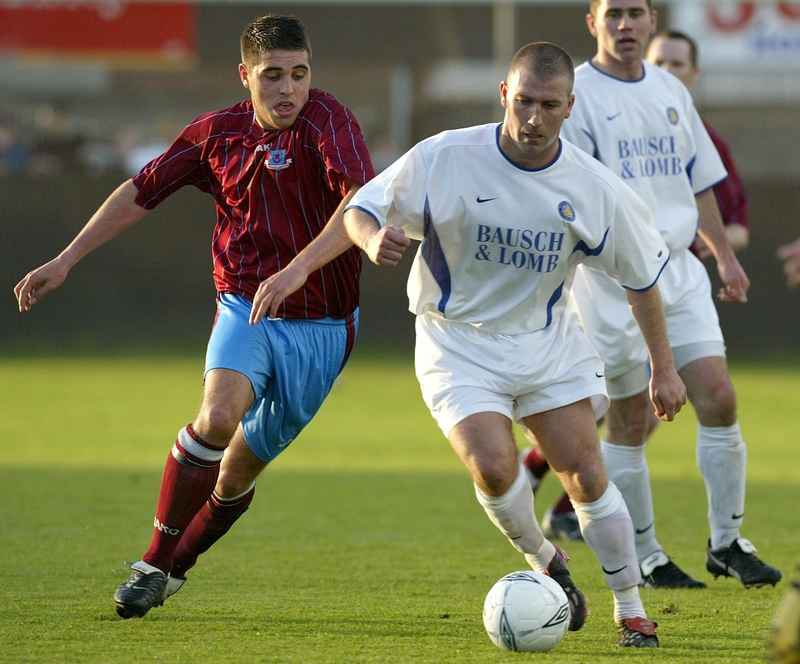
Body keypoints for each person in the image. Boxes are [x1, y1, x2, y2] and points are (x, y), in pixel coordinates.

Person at [14, 14, 374, 619]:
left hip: (323, 325)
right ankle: (154, 561)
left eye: (299, 74)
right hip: (246, 305)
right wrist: (67, 258)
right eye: (273, 76)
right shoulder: (215, 134)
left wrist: (300, 269)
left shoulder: (328, 120)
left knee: (234, 476)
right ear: (245, 77)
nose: (289, 89)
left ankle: (178, 567)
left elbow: (357, 199)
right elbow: (140, 190)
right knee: (217, 416)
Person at [344, 41, 687, 648]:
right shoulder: (447, 156)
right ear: (504, 94)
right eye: (523, 100)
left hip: (544, 342)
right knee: (494, 467)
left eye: (548, 105)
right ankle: (544, 558)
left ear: (569, 107)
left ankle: (631, 610)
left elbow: (643, 280)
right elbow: (363, 205)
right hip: (457, 342)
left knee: (584, 473)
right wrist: (371, 239)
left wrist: (663, 367)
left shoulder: (593, 188)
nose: (533, 117)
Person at [523, 0, 782, 591]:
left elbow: (700, 181)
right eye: (612, 14)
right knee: (631, 420)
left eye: (636, 13)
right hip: (614, 281)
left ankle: (727, 542)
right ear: (593, 23)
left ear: (651, 21)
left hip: (681, 270)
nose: (625, 24)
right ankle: (647, 554)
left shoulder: (669, 88)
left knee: (717, 394)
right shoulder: (578, 93)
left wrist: (724, 254)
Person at [645, 29, 750, 259]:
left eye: (677, 64)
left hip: (678, 273)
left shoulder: (708, 141)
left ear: (695, 73)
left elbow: (738, 228)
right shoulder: (613, 125)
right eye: (658, 62)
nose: (666, 71)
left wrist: (714, 241)